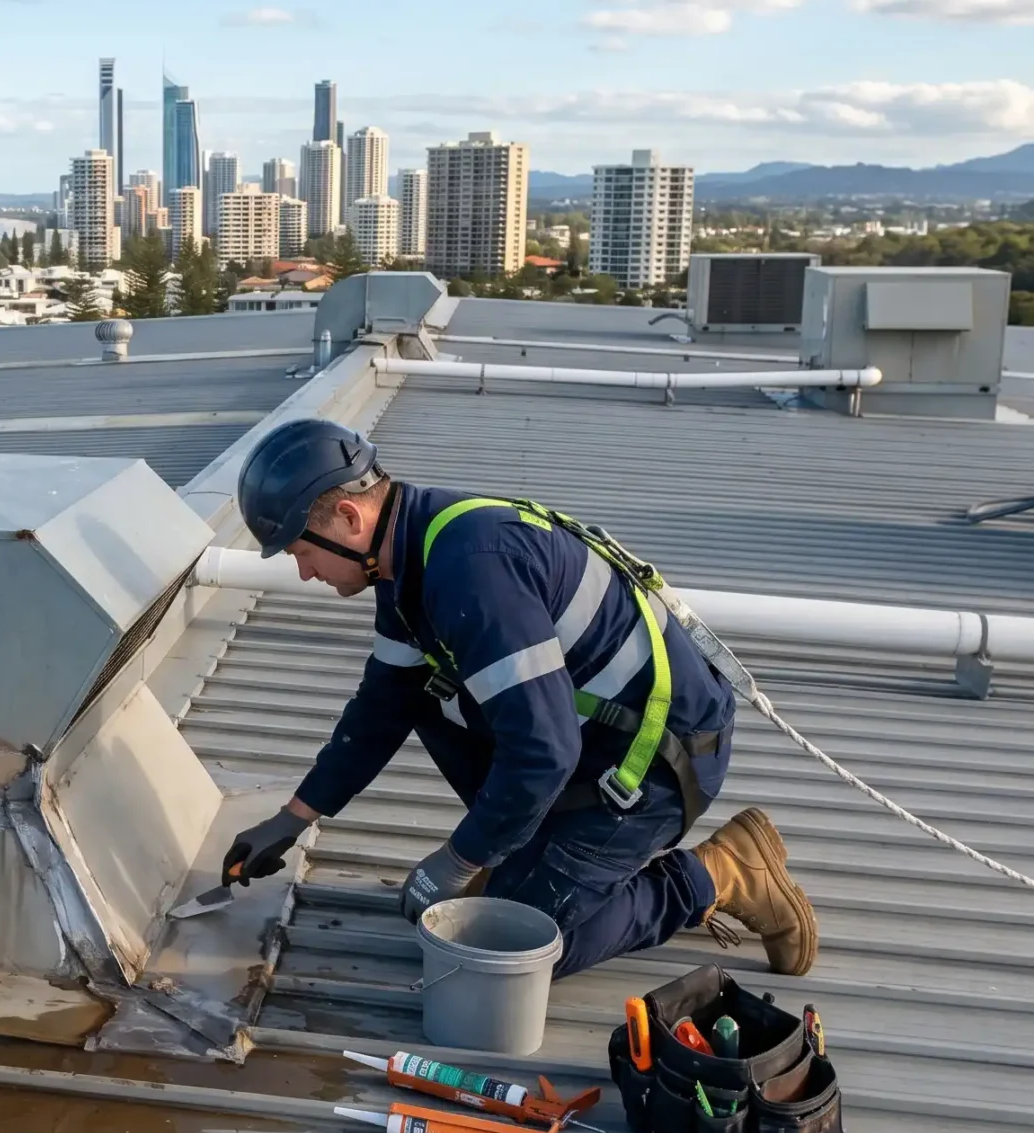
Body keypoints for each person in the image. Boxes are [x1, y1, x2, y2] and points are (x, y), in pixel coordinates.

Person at [219, 418, 818, 977]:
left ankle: (719, 873)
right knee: (416, 690)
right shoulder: (411, 551)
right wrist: (295, 817)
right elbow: (383, 704)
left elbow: (541, 754)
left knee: (507, 954)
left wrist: (460, 858)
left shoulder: (473, 572)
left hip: (656, 764)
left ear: (349, 519)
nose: (303, 574)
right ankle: (524, 852)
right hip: (588, 739)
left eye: (302, 553)